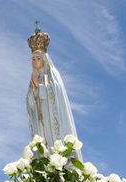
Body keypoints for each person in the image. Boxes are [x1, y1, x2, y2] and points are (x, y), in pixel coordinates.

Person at [26, 23, 83, 161]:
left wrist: (41, 88)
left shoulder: (52, 75)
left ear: (44, 59)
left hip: (52, 120)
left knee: (55, 146)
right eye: (33, 58)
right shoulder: (33, 79)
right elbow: (30, 103)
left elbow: (57, 93)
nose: (35, 61)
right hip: (40, 121)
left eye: (38, 58)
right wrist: (33, 93)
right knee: (42, 145)